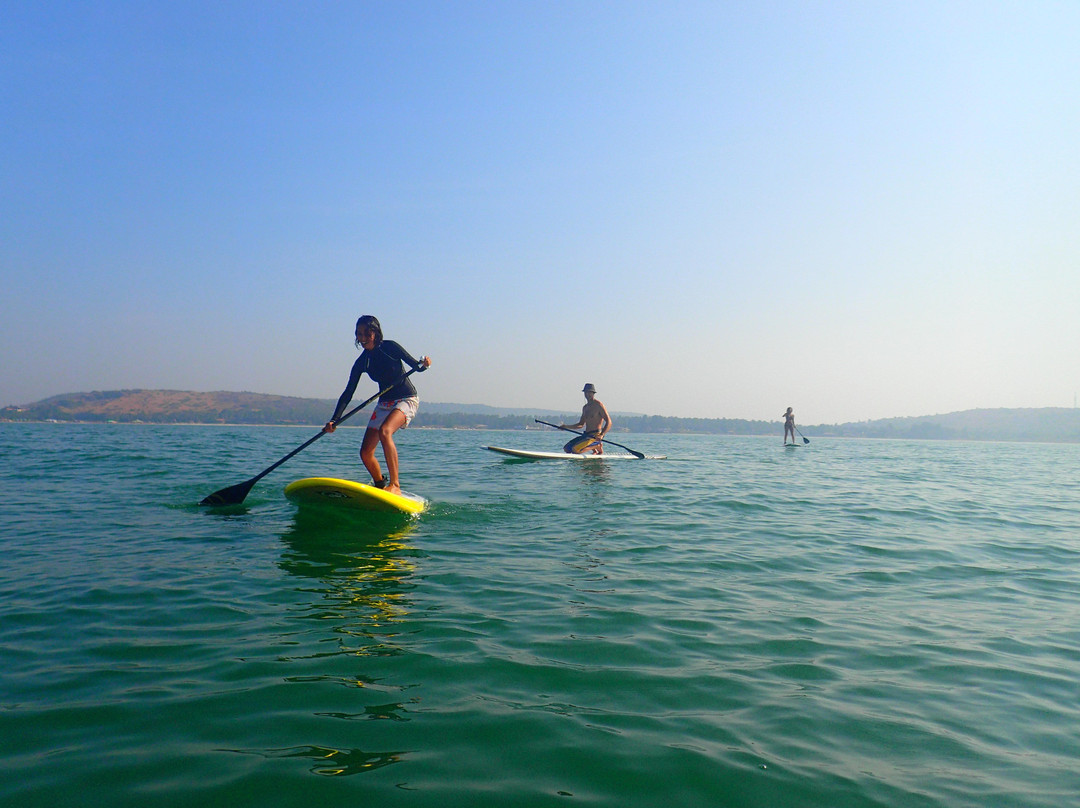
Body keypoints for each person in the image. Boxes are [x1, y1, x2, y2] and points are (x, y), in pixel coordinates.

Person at [323, 315, 431, 495]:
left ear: (375, 332)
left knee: (385, 431)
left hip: (406, 399)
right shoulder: (362, 361)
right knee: (365, 452)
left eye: (367, 333)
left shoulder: (390, 347)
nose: (362, 338)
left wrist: (425, 364)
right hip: (384, 404)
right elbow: (348, 392)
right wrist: (335, 419)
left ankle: (395, 485)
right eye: (359, 334)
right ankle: (381, 484)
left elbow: (417, 366)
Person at [560, 383, 612, 454]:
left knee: (575, 450)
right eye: (586, 392)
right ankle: (594, 448)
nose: (587, 394)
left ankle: (597, 445)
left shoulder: (598, 405)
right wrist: (566, 426)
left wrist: (602, 435)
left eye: (589, 392)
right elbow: (581, 424)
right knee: (567, 448)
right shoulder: (585, 408)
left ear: (593, 393)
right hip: (586, 435)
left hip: (595, 436)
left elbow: (609, 422)